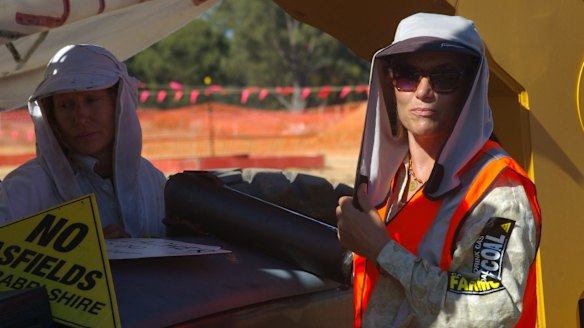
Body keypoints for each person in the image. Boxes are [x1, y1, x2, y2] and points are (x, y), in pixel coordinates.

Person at [336, 13, 541, 327]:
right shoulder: (388, 178)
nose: (423, 91)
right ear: (391, 84)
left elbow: (488, 313)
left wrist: (382, 250)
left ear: (470, 89)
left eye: (444, 77)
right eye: (407, 74)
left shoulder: (499, 192)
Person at [0, 44, 167, 239]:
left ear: (119, 104)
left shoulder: (152, 179)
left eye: (91, 100)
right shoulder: (28, 186)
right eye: (66, 105)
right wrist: (76, 251)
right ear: (51, 115)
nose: (80, 117)